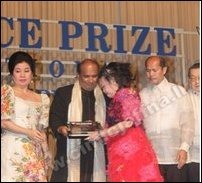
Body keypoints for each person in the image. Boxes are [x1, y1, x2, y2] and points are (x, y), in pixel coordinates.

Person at [86, 62, 163, 182]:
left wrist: (101, 133)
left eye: (104, 86)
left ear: (113, 80)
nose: (104, 90)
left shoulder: (126, 94)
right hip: (121, 148)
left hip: (130, 149)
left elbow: (128, 123)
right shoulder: (119, 97)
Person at [49, 58, 107, 182]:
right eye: (86, 76)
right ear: (78, 75)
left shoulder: (105, 95)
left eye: (94, 76)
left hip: (95, 151)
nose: (91, 81)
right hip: (69, 152)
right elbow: (54, 119)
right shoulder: (64, 93)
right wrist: (61, 128)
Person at [139, 56, 195, 182]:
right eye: (148, 71)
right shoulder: (143, 94)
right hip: (152, 157)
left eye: (155, 70)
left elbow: (188, 123)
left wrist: (184, 148)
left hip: (175, 154)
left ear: (164, 70)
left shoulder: (178, 91)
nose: (151, 74)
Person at [1, 51, 50, 182]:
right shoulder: (6, 91)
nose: (22, 75)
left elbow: (42, 129)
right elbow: (4, 122)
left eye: (26, 70)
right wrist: (28, 132)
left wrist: (46, 151)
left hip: (34, 151)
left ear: (32, 73)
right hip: (13, 149)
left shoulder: (42, 98)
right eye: (18, 71)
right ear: (12, 73)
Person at [187, 62, 200, 182]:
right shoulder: (184, 98)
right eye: (193, 78)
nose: (196, 81)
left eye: (199, 78)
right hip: (193, 157)